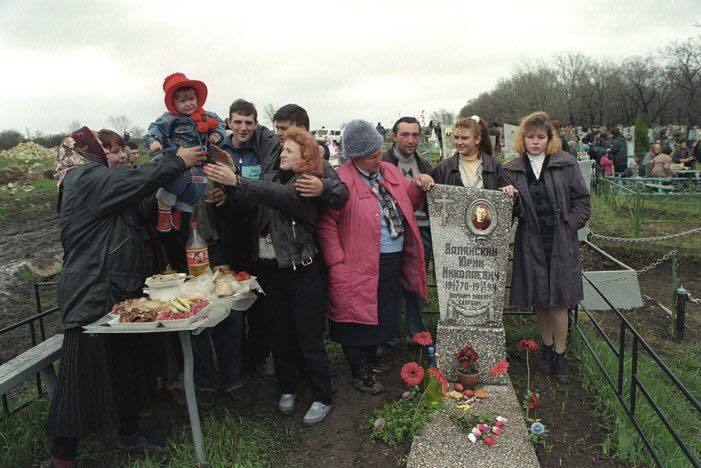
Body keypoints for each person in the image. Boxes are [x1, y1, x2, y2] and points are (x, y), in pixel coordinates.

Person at [45, 127, 206, 467]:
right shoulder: (83, 179)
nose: (110, 157)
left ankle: (129, 433)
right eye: (101, 149)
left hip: (116, 291)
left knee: (125, 368)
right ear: (86, 153)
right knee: (79, 378)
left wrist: (170, 190)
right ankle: (61, 458)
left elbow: (140, 206)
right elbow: (135, 179)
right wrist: (175, 160)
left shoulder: (99, 183)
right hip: (90, 292)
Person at [205, 127, 333, 425]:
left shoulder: (307, 183)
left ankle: (323, 396)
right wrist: (230, 187)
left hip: (302, 272)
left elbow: (281, 197)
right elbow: (253, 200)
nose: (281, 153)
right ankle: (287, 388)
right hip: (272, 272)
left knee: (309, 338)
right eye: (282, 149)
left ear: (305, 156)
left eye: (289, 150)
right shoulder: (272, 178)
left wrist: (238, 179)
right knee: (280, 334)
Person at [317, 120, 433, 394]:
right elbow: (327, 223)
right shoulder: (342, 180)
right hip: (355, 261)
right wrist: (336, 261)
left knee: (381, 312)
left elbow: (405, 203)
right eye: (372, 156)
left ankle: (370, 360)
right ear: (355, 157)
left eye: (379, 152)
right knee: (353, 316)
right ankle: (361, 371)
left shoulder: (389, 171)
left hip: (391, 258)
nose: (378, 159)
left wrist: (417, 186)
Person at [501, 112, 591, 384]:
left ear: (550, 139)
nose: (535, 142)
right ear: (523, 139)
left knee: (559, 301)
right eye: (530, 137)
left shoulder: (566, 164)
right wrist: (508, 198)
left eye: (541, 137)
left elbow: (582, 202)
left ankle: (561, 355)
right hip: (531, 241)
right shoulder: (512, 169)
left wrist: (568, 226)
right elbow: (508, 213)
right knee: (540, 300)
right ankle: (547, 347)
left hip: (560, 241)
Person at [143, 72, 226, 233]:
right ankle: (164, 209)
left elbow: (221, 125)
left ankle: (179, 211)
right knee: (176, 182)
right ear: (173, 104)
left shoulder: (208, 116)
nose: (188, 104)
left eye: (191, 99)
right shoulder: (170, 118)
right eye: (182, 101)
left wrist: (217, 135)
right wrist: (154, 141)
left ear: (198, 99)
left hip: (200, 162)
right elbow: (156, 128)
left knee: (198, 187)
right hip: (179, 160)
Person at [382, 117, 432, 344]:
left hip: (421, 230)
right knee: (389, 283)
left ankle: (416, 331)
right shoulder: (383, 163)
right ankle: (389, 334)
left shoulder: (425, 165)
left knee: (417, 282)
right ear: (394, 136)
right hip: (392, 231)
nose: (411, 140)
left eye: (415, 135)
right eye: (405, 134)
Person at [432, 115, 503, 189]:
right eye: (456, 137)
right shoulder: (442, 169)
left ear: (477, 139)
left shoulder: (496, 167)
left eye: (464, 138)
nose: (459, 142)